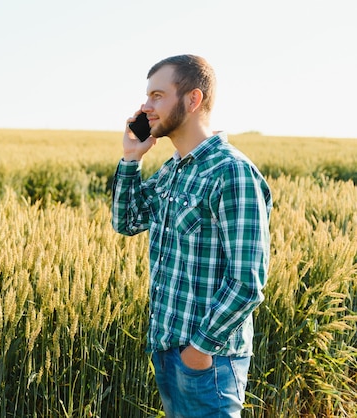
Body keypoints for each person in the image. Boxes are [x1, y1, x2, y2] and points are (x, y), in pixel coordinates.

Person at [111, 54, 272, 417]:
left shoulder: (232, 173)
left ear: (192, 100)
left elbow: (247, 281)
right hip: (168, 351)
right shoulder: (173, 171)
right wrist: (131, 158)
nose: (144, 107)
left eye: (157, 96)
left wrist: (199, 350)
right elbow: (127, 222)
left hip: (207, 362)